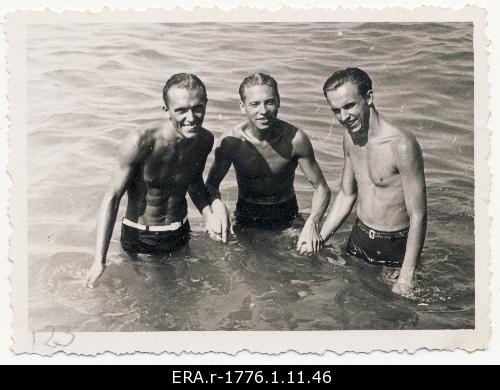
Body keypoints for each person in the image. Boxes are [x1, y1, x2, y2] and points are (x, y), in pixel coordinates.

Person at [85, 73, 220, 287]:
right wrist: (98, 261)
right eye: (181, 110)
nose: (192, 117)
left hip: (181, 232)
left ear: (206, 104)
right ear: (166, 110)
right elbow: (111, 198)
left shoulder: (204, 140)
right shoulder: (140, 141)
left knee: (184, 299)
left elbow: (194, 183)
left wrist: (209, 216)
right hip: (141, 239)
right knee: (151, 308)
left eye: (198, 108)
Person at [319, 68, 427, 296]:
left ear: (369, 97)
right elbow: (347, 194)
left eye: (349, 106)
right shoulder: (349, 137)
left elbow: (418, 215)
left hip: (394, 247)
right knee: (347, 307)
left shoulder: (402, 145)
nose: (343, 117)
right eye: (336, 110)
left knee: (391, 318)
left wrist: (406, 277)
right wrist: (318, 239)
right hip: (358, 240)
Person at [206, 73, 331, 253]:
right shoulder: (231, 142)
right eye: (255, 104)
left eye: (269, 102)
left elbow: (322, 188)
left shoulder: (295, 139)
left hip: (287, 216)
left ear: (278, 102)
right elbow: (211, 185)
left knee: (306, 264)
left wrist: (313, 221)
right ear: (242, 106)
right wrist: (217, 206)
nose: (263, 111)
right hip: (246, 217)